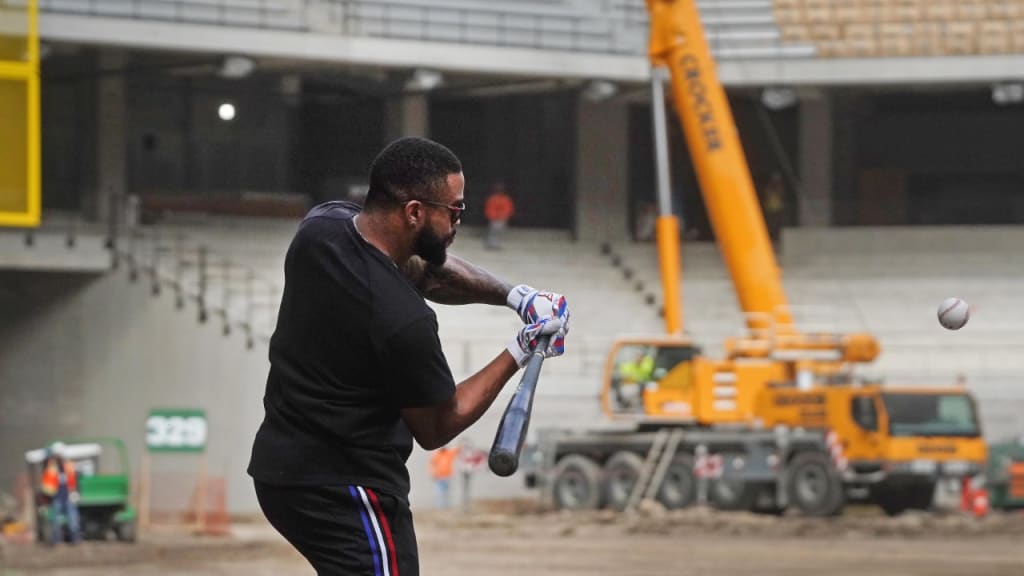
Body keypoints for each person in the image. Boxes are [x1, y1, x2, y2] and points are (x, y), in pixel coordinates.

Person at [247, 137, 570, 576]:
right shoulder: (401, 320)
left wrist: (517, 296)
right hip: (346, 488)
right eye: (454, 210)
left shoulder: (322, 227)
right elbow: (438, 423)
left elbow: (426, 274)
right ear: (415, 211)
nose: (459, 222)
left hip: (279, 473)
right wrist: (522, 348)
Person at [40, 442, 82, 545]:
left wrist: (75, 492)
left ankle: (75, 540)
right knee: (55, 521)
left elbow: (75, 480)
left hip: (68, 498)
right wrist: (47, 499)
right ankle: (56, 541)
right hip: (56, 498)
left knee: (73, 521)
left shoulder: (69, 466)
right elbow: (47, 485)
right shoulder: (51, 467)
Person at [483, 182, 515, 250]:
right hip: (494, 219)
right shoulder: (492, 199)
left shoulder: (505, 199)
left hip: (502, 219)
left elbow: (508, 209)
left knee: (499, 232)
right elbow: (489, 208)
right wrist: (492, 216)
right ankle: (491, 244)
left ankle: (498, 244)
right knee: (493, 232)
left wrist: (504, 216)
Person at [428, 445, 459, 509]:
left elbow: (457, 450)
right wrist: (432, 474)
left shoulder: (449, 453)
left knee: (446, 491)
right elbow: (431, 465)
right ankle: (440, 505)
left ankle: (445, 505)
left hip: (447, 476)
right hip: (439, 476)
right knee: (440, 491)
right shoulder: (437, 455)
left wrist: (462, 444)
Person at [762, 172, 786, 247]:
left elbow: (781, 195)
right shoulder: (768, 188)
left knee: (777, 227)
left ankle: (777, 242)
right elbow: (766, 196)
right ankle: (770, 241)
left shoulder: (779, 188)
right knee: (770, 226)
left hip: (777, 209)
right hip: (770, 209)